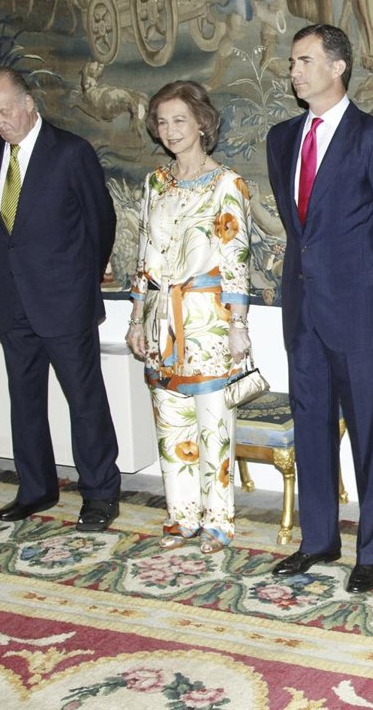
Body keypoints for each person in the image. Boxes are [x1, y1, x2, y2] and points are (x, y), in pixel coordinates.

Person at [265, 24, 373, 593]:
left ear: (338, 67)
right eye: (292, 62)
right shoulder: (281, 138)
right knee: (309, 424)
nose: (294, 72)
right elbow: (300, 230)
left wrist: (370, 290)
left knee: (368, 431)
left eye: (305, 61)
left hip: (358, 313)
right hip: (303, 308)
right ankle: (318, 540)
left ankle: (372, 551)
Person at [0, 67, 122, 531]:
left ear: (29, 103)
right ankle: (36, 487)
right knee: (25, 398)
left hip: (65, 300)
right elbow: (5, 228)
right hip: (12, 298)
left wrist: (81, 281)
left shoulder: (71, 152)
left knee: (85, 400)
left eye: (4, 112)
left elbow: (102, 222)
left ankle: (100, 494)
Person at [125, 80, 252, 555]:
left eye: (179, 120)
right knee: (170, 420)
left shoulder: (227, 184)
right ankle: (182, 514)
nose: (170, 130)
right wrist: (136, 318)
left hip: (207, 320)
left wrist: (238, 326)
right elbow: (145, 253)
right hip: (160, 318)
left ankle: (218, 521)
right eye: (162, 122)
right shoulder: (155, 183)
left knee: (212, 423)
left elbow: (236, 260)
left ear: (202, 123)